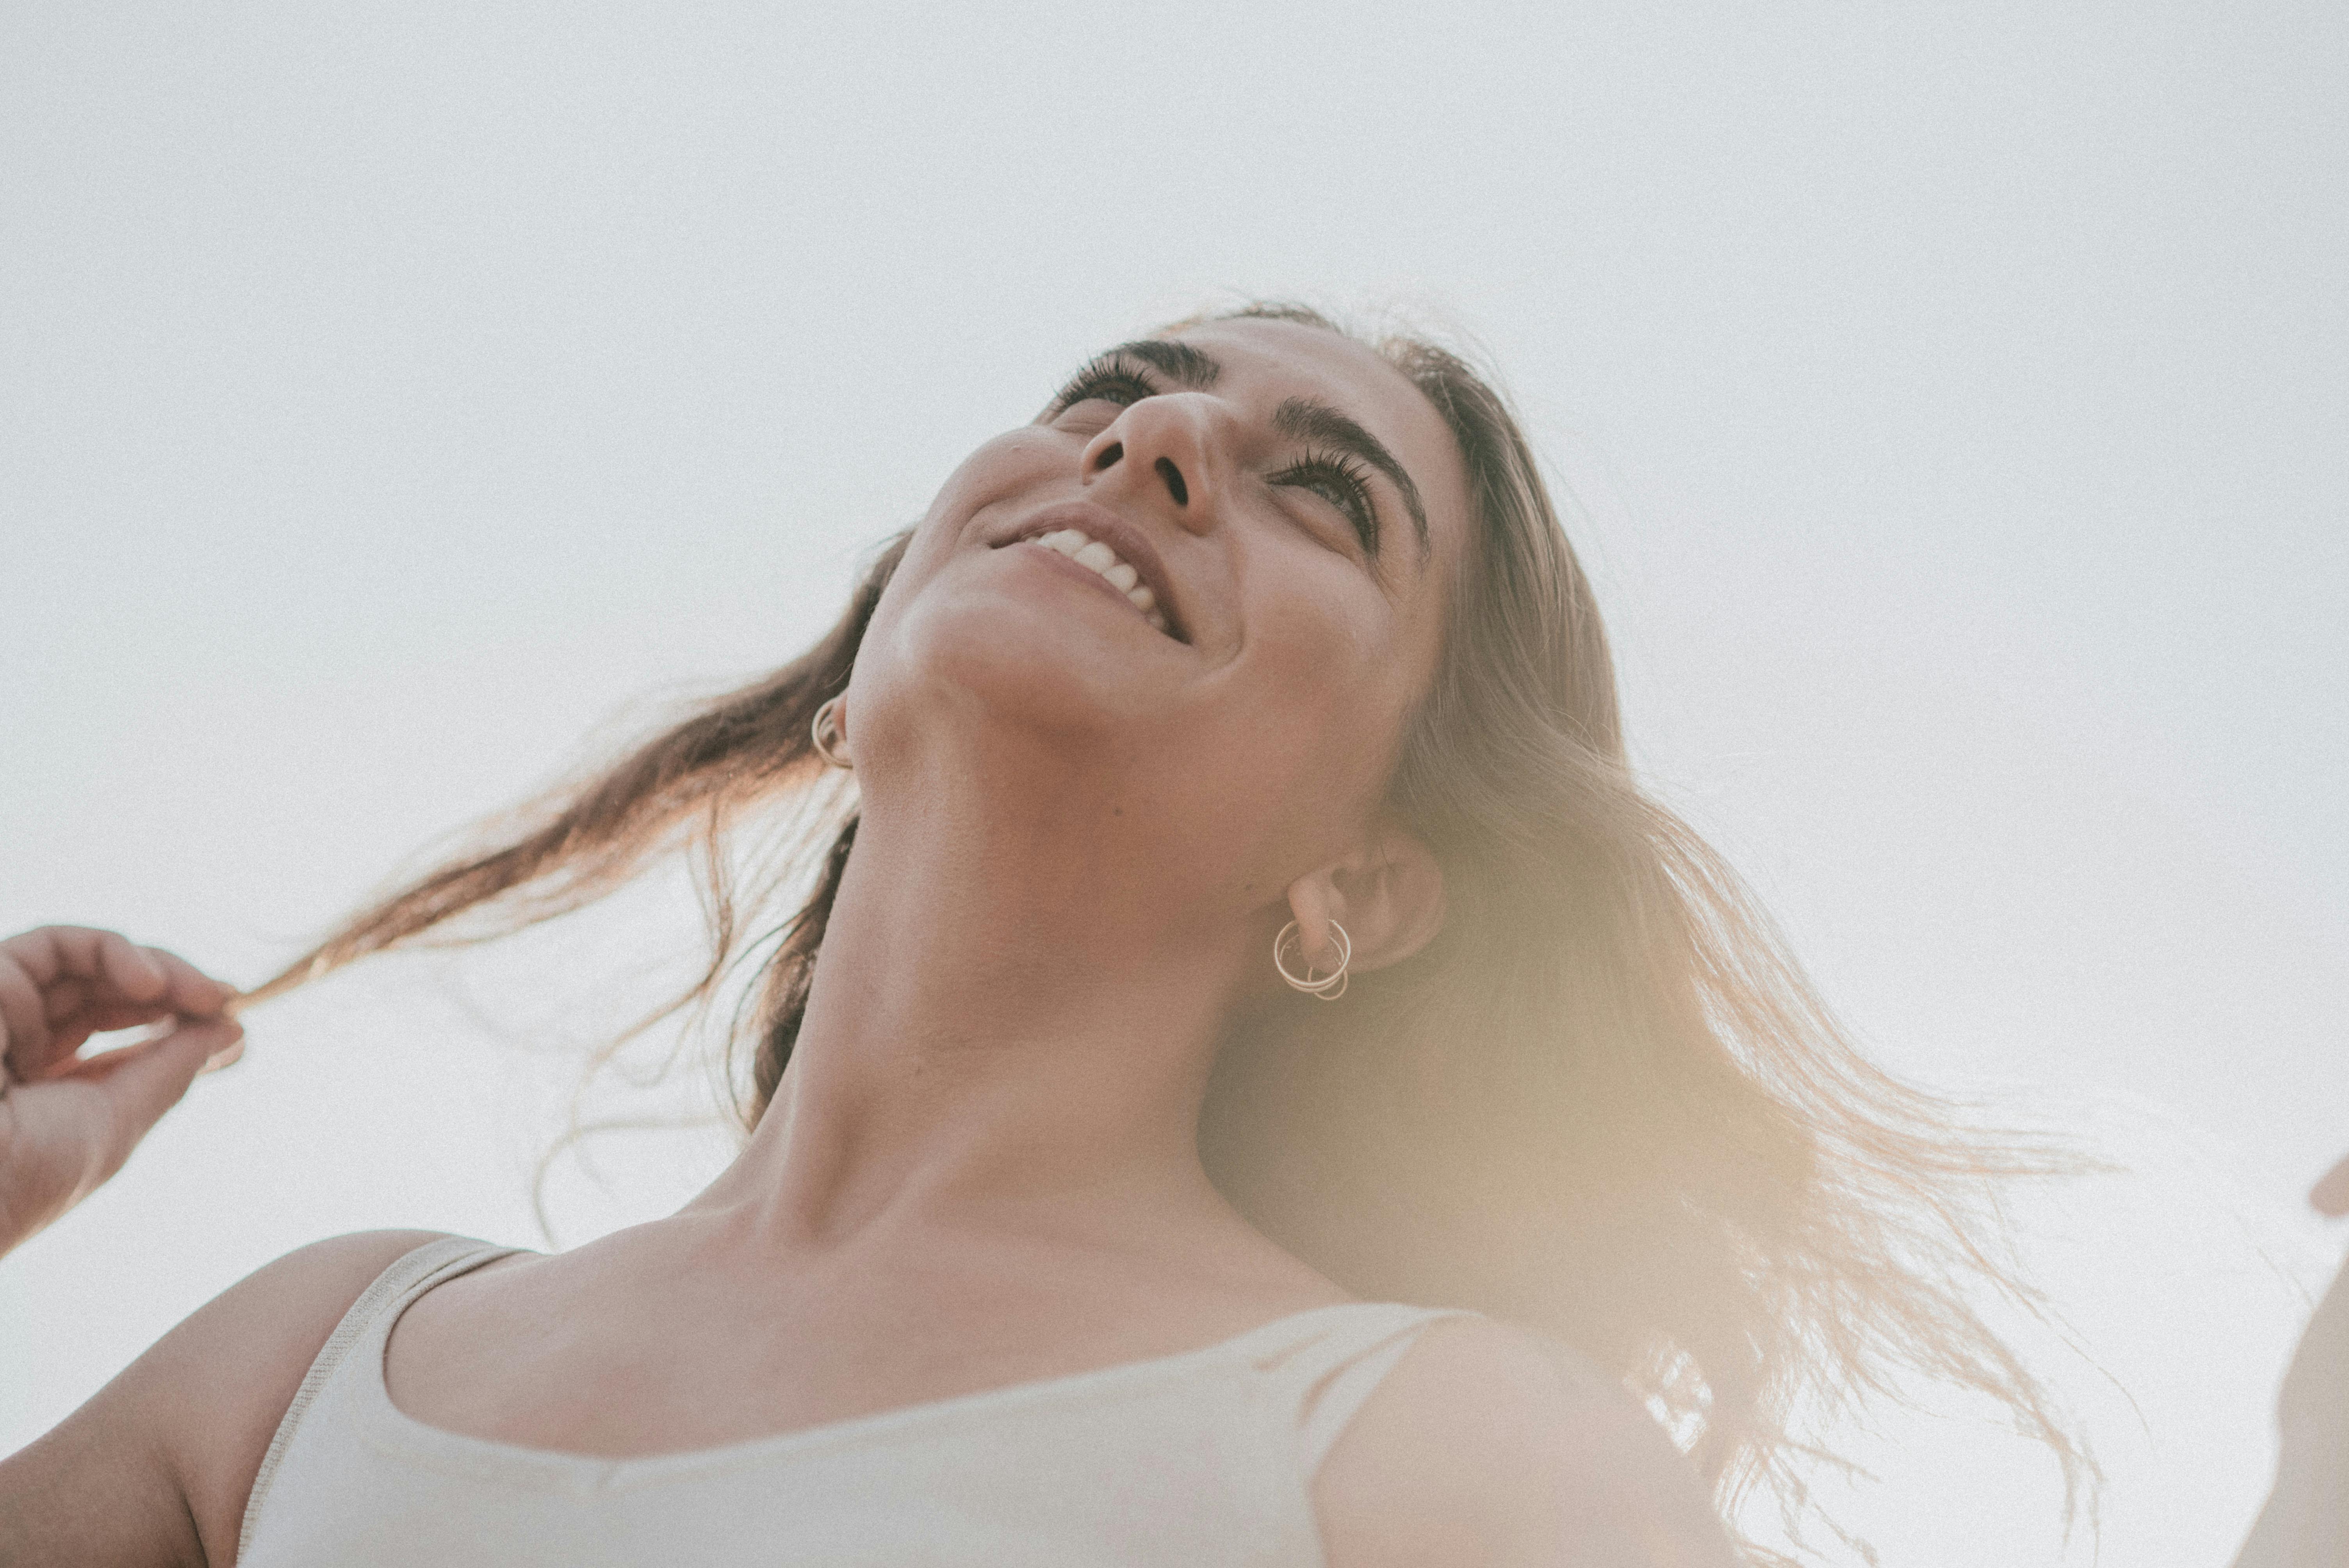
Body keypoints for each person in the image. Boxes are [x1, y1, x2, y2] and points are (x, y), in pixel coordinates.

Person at [0, 303, 2326, 1566]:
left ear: (1370, 882)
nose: (1157, 445)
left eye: (1327, 497)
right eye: (1113, 396)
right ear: (860, 671)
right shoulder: (305, 1368)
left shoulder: (1423, 1448)